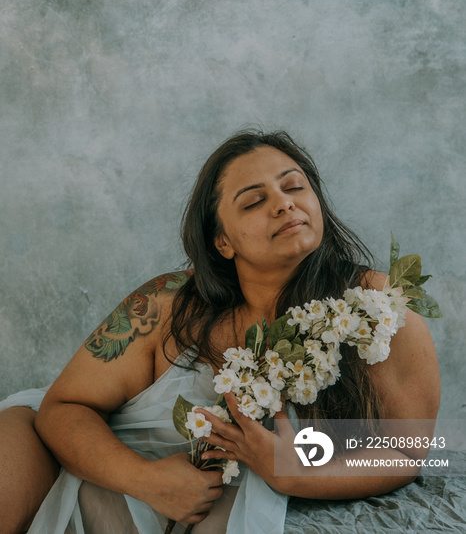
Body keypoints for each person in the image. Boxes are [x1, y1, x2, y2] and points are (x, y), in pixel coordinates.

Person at [0, 129, 440, 534]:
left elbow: (407, 450)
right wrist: (147, 480)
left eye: (294, 186)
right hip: (87, 466)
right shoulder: (166, 304)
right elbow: (62, 408)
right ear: (222, 241)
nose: (284, 203)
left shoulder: (377, 308)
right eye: (252, 201)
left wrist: (298, 472)